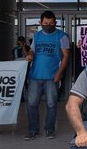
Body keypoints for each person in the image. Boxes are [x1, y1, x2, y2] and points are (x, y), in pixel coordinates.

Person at [24, 11, 70, 140]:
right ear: (40, 23)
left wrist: (59, 73)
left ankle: (50, 130)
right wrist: (30, 55)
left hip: (52, 76)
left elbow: (66, 56)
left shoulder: (62, 36)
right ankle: (33, 130)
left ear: (55, 23)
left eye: (51, 23)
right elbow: (32, 50)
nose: (48, 25)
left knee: (51, 104)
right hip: (35, 75)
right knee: (31, 104)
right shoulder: (37, 36)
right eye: (45, 23)